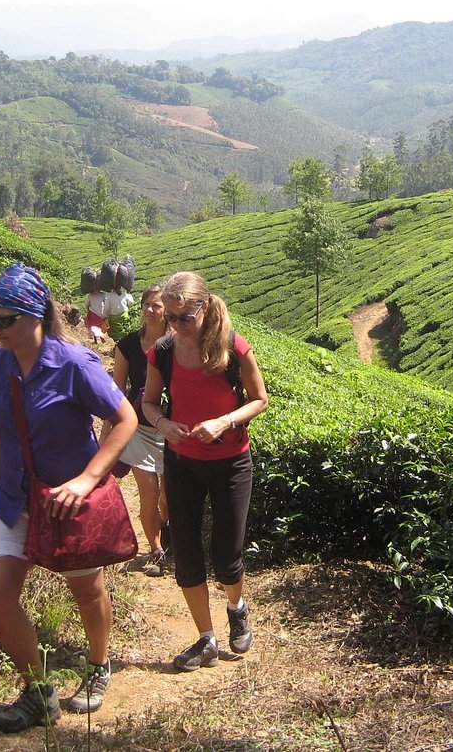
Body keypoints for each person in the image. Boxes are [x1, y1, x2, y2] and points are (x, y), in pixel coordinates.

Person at [0, 262, 138, 732]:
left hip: (68, 500)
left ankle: (98, 665)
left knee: (85, 589)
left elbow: (124, 419)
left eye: (6, 319)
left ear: (35, 314)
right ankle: (38, 691)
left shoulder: (74, 363)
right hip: (13, 497)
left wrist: (88, 479)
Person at [140, 271, 268, 672]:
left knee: (227, 554)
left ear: (205, 308)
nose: (176, 326)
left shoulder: (233, 347)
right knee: (188, 555)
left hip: (231, 463)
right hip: (182, 463)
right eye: (170, 318)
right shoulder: (161, 351)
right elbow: (148, 402)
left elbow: (260, 400)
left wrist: (225, 422)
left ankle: (237, 606)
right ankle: (206, 638)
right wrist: (163, 425)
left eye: (183, 317)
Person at [102, 283, 170, 577]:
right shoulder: (127, 345)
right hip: (139, 427)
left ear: (167, 310)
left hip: (171, 427)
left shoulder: (177, 342)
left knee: (168, 496)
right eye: (146, 304)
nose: (150, 310)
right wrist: (107, 433)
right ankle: (155, 548)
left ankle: (168, 537)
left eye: (156, 305)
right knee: (148, 492)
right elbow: (116, 392)